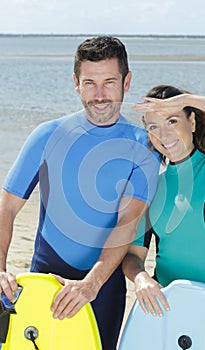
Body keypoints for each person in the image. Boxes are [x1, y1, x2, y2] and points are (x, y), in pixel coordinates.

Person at [0, 36, 160, 349]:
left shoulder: (144, 146)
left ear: (126, 82)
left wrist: (91, 284)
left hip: (103, 288)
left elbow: (126, 222)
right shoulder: (48, 135)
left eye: (109, 82)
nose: (99, 95)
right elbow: (6, 205)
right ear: (76, 83)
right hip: (44, 279)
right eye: (90, 83)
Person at [122, 84, 205, 317]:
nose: (164, 135)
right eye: (154, 126)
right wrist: (141, 278)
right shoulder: (150, 186)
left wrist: (190, 99)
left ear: (192, 122)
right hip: (164, 303)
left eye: (172, 121)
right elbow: (133, 256)